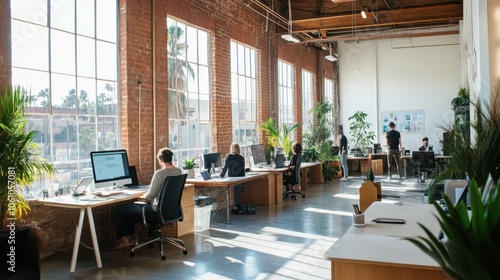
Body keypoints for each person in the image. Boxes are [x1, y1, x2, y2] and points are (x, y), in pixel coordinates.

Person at [112, 147, 182, 250]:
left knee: (119, 209)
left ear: (161, 160)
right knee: (130, 215)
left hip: (155, 209)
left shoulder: (159, 174)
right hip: (171, 210)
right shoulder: (178, 171)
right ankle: (133, 239)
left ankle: (124, 241)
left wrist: (141, 198)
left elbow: (150, 196)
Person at [220, 143, 245, 208]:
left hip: (232, 176)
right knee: (237, 188)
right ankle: (238, 205)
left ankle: (236, 206)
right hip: (241, 177)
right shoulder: (242, 157)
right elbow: (243, 168)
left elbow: (225, 168)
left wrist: (221, 176)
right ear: (239, 149)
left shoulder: (229, 157)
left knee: (234, 189)